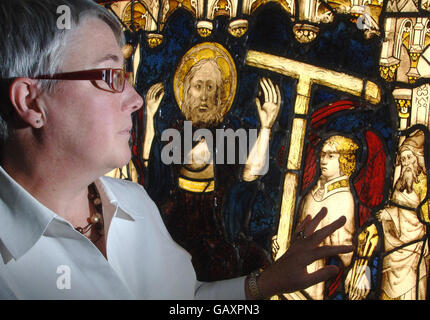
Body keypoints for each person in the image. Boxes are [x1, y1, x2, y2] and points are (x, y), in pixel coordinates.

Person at [0, 0, 352, 299]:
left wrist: (263, 284)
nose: (136, 100)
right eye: (109, 76)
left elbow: (184, 299)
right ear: (32, 102)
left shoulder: (134, 204)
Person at [142, 54, 281, 280]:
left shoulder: (229, 137)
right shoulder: (173, 134)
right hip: (174, 219)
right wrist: (149, 115)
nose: (204, 96)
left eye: (211, 87)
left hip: (215, 224)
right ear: (187, 91)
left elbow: (250, 175)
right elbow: (151, 167)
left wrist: (266, 128)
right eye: (198, 86)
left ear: (220, 95)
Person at [346, 129, 429, 300]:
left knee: (410, 288)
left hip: (412, 245)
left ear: (417, 158)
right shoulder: (400, 182)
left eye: (409, 158)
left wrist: (390, 214)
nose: (406, 162)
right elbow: (396, 205)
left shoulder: (423, 183)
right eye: (403, 158)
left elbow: (422, 216)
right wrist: (389, 215)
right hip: (393, 244)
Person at [297, 135, 358, 299]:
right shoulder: (313, 192)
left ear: (344, 160)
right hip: (290, 270)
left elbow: (346, 251)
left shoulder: (343, 199)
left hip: (310, 281)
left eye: (331, 155)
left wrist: (359, 266)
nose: (323, 160)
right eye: (322, 154)